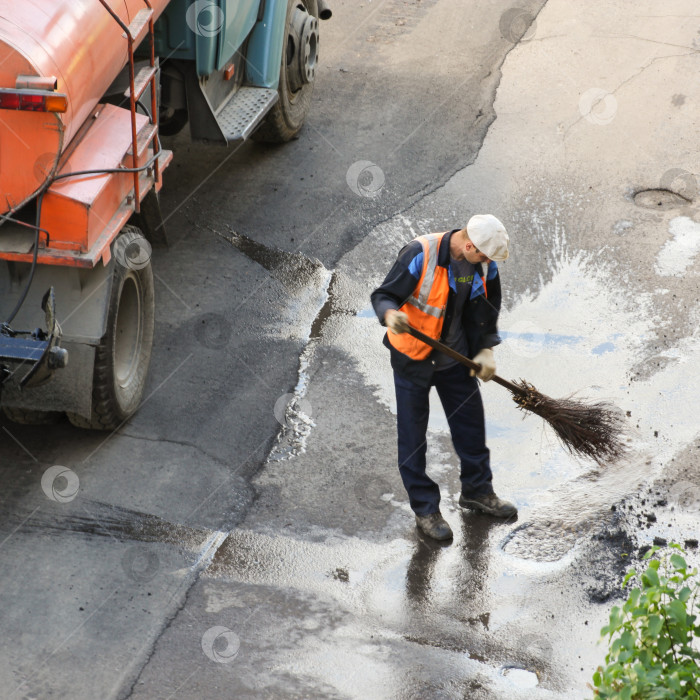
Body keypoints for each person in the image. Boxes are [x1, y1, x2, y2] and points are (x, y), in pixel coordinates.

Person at [371, 215, 517, 541]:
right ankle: (425, 510)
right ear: (468, 245)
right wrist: (390, 314)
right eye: (484, 256)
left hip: (455, 358)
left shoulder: (483, 265)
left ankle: (477, 492)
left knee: (471, 428)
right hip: (413, 358)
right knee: (413, 440)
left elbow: (487, 308)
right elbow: (382, 295)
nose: (490, 263)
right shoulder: (420, 254)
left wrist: (485, 349)